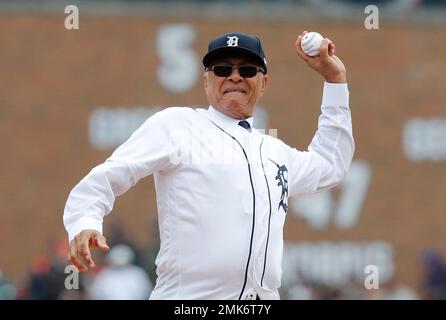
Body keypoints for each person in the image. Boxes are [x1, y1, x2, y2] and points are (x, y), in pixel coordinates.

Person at [63, 31, 354, 300]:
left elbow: (330, 164)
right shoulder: (179, 125)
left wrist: (334, 80)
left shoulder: (274, 152)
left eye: (247, 70)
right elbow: (110, 174)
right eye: (223, 69)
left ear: (263, 83)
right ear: (206, 81)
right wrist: (85, 221)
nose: (235, 77)